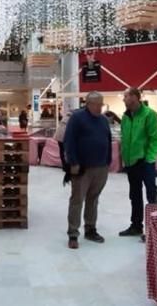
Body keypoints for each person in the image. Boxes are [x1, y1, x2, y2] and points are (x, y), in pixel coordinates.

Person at [63, 91, 111, 249]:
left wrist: (108, 161)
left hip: (101, 167)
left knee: (94, 199)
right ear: (88, 103)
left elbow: (108, 140)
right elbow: (69, 141)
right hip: (82, 167)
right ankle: (73, 233)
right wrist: (73, 162)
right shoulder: (77, 118)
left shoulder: (103, 120)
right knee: (77, 200)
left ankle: (90, 229)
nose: (99, 108)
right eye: (97, 104)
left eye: (101, 104)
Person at [118, 88, 157, 237]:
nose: (123, 99)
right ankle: (136, 226)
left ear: (135, 97)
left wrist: (149, 158)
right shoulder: (125, 117)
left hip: (145, 161)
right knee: (135, 195)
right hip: (131, 163)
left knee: (151, 194)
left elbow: (156, 138)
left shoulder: (149, 114)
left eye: (125, 96)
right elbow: (125, 138)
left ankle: (154, 229)